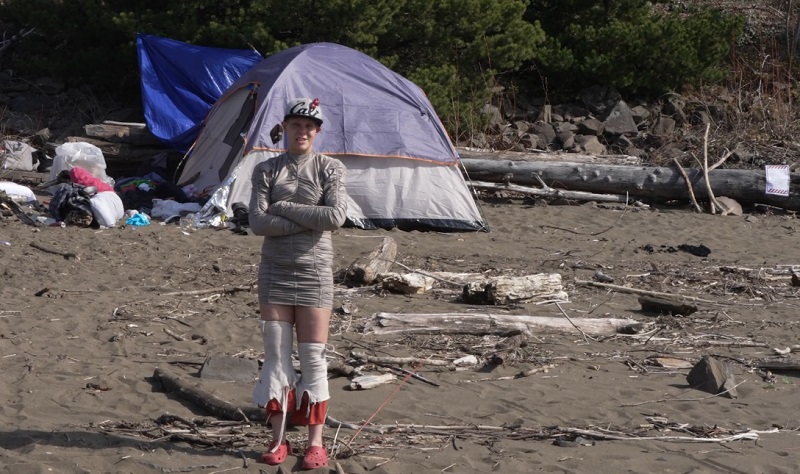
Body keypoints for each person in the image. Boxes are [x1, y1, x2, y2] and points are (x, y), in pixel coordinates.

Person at [248, 97, 347, 469]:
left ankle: (316, 444)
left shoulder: (330, 168)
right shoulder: (267, 169)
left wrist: (284, 208)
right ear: (284, 128)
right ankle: (277, 440)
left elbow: (336, 216)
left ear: (317, 131)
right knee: (276, 357)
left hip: (315, 272)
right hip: (274, 271)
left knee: (313, 359)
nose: (302, 131)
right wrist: (310, 219)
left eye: (309, 126)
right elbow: (257, 223)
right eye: (295, 125)